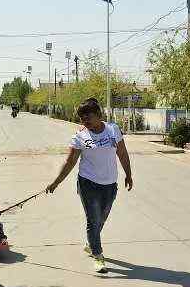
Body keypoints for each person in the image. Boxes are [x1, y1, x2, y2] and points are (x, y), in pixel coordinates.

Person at [45, 98, 134, 273]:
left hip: (110, 184)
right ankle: (98, 256)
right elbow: (70, 161)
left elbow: (122, 153)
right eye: (82, 119)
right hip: (88, 183)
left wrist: (129, 174)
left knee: (101, 219)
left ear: (99, 115)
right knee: (93, 221)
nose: (85, 123)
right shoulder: (80, 136)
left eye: (89, 118)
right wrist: (56, 182)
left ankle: (90, 242)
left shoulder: (113, 130)